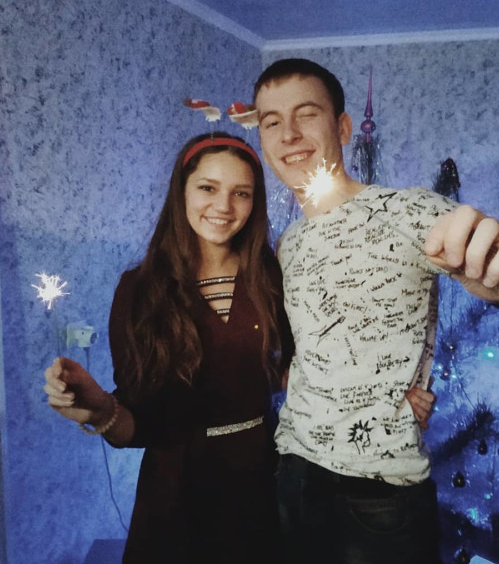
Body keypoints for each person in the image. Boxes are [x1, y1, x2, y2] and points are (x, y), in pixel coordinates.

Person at [253, 58, 499, 564]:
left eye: (306, 114)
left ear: (342, 128)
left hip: (379, 494)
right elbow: (314, 351)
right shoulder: (290, 243)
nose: (289, 134)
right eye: (272, 121)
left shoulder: (409, 210)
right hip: (293, 473)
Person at [43, 131, 433, 563]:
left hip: (265, 485)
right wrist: (100, 410)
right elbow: (139, 422)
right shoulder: (140, 291)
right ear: (182, 191)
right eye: (208, 188)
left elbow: (311, 364)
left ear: (254, 202)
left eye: (241, 193)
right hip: (175, 499)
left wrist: (384, 396)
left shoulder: (272, 276)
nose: (223, 206)